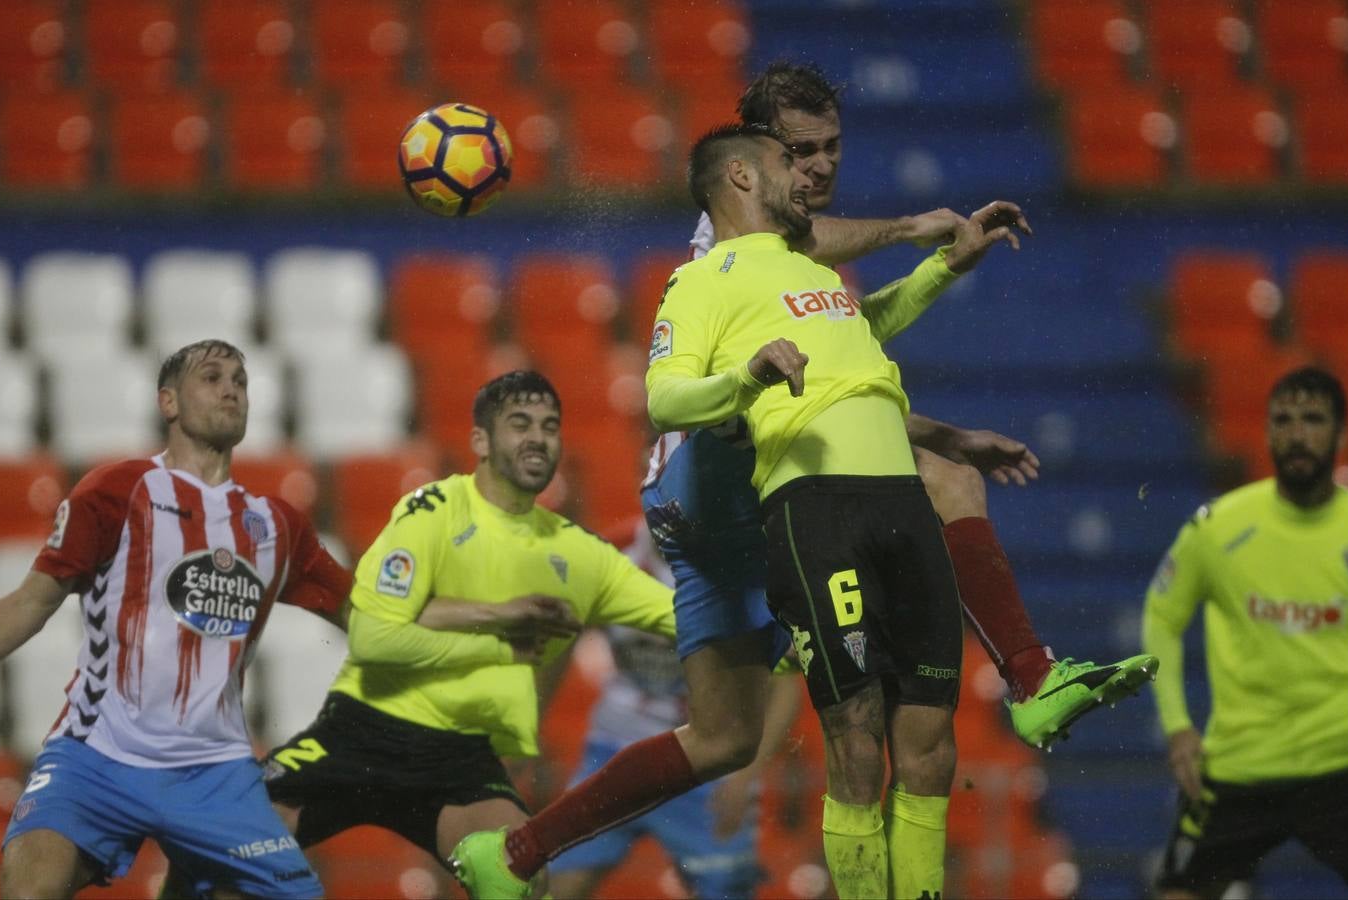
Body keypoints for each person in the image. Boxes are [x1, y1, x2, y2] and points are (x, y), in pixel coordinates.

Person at [449, 64, 1153, 900]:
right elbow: (750, 359)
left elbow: (837, 361)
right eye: (796, 153)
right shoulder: (734, 245)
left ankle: (516, 855)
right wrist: (914, 229)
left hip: (725, 511)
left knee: (721, 739)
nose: (814, 170)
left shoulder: (800, 269)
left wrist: (941, 295)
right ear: (751, 163)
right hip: (716, 485)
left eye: (829, 150)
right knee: (939, 485)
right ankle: (1031, 676)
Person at [0, 339, 349, 898]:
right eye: (213, 377)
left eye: (240, 381)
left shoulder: (277, 525)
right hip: (97, 755)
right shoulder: (117, 491)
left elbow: (365, 613)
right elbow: (30, 603)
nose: (231, 389)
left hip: (214, 771)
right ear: (167, 402)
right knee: (28, 888)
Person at [254, 371, 678, 895]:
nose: (538, 438)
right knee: (226, 843)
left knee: (517, 876)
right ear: (480, 440)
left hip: (459, 761)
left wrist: (785, 624)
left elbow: (689, 619)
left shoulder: (583, 556)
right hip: (361, 735)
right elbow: (372, 634)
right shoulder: (430, 511)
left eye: (549, 426)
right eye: (519, 424)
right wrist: (502, 616)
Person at [1143, 366, 1348, 899]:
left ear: (1341, 434)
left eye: (1313, 419)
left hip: (1344, 766)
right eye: (1283, 420)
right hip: (1237, 766)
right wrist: (1177, 726)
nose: (1297, 434)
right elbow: (1162, 617)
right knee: (1177, 892)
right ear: (1265, 432)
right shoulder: (1219, 528)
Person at [546, 520, 804, 899]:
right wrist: (530, 723)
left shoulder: (739, 571)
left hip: (706, 765)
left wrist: (745, 775)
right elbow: (560, 638)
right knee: (555, 887)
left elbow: (786, 684)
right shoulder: (606, 556)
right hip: (613, 751)